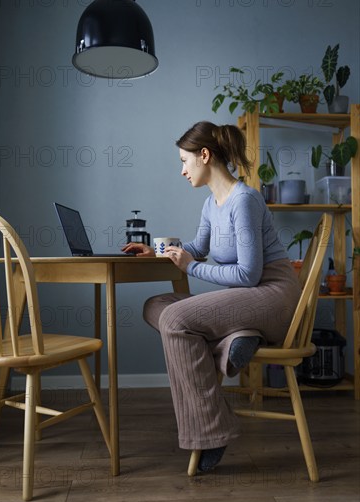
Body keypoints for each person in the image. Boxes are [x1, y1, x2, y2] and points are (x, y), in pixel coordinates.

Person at [122, 121, 301, 472]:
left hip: (273, 296)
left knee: (175, 319)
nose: (182, 170)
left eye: (185, 161)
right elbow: (196, 249)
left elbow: (248, 275)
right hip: (248, 300)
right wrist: (158, 252)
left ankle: (212, 431)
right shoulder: (211, 205)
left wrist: (190, 268)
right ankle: (236, 340)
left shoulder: (244, 200)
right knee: (156, 305)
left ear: (205, 155)